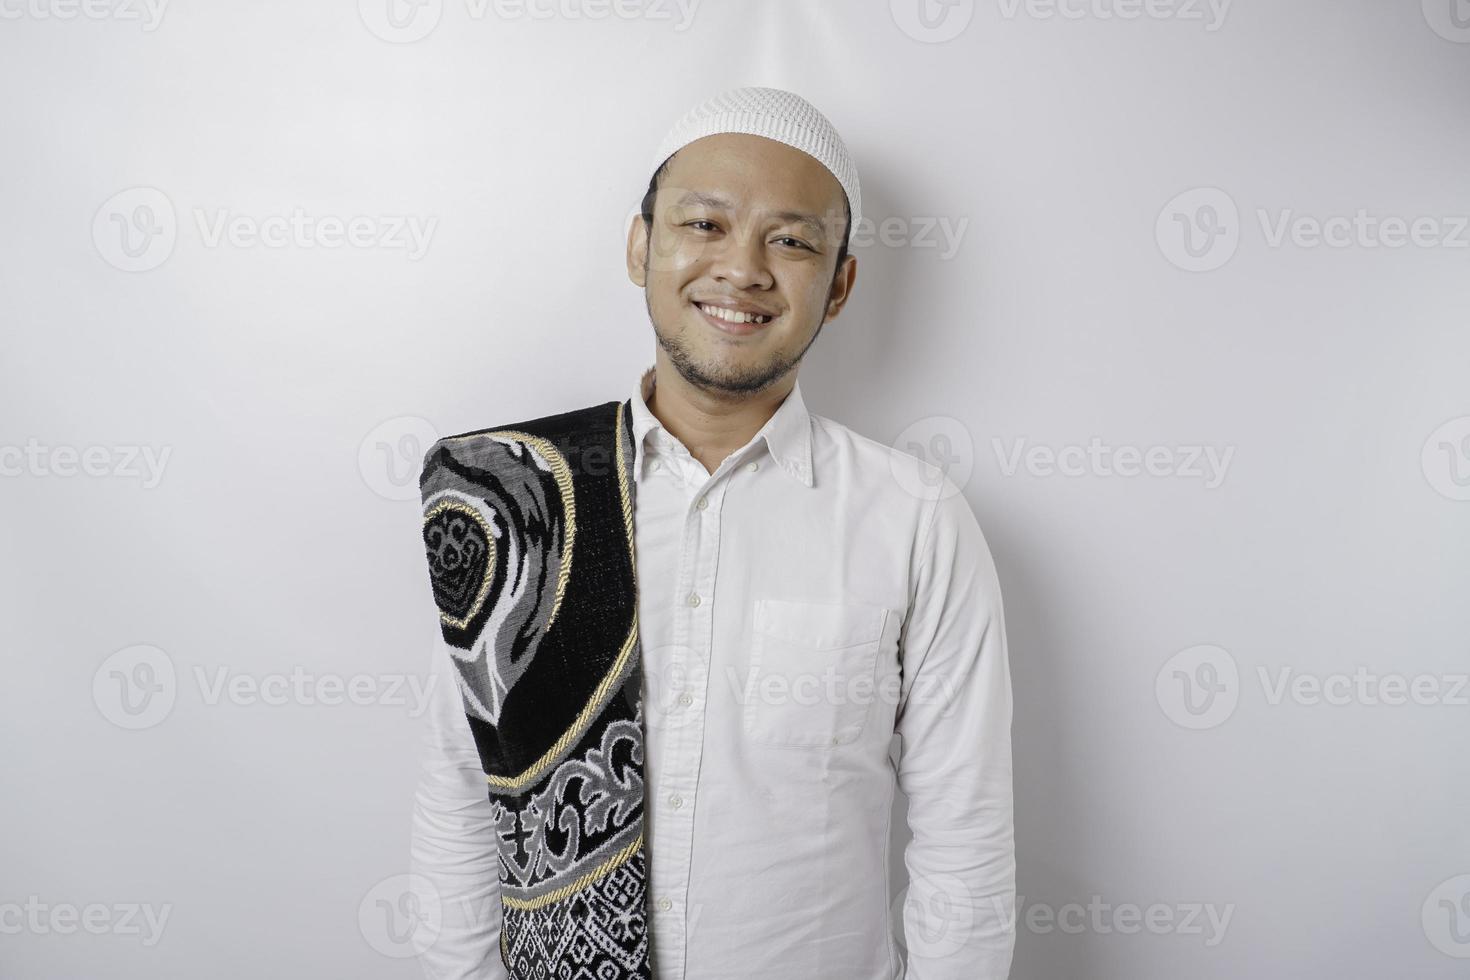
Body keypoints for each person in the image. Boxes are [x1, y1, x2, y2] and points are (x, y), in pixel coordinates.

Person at [411, 85, 1015, 980]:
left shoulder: (915, 520)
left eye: (792, 239)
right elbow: (463, 793)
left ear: (840, 284)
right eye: (704, 225)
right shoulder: (518, 501)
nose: (743, 269)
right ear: (639, 245)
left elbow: (964, 838)